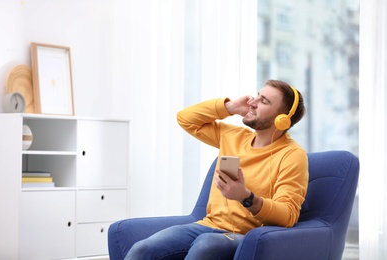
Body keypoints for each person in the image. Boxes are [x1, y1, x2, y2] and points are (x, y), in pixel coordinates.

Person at [124, 79, 309, 260]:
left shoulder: (292, 155)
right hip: (207, 225)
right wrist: (230, 107)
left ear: (282, 119)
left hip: (246, 236)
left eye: (264, 101)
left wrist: (246, 197)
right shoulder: (233, 136)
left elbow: (288, 215)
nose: (253, 102)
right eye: (257, 96)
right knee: (143, 249)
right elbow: (185, 119)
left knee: (206, 244)